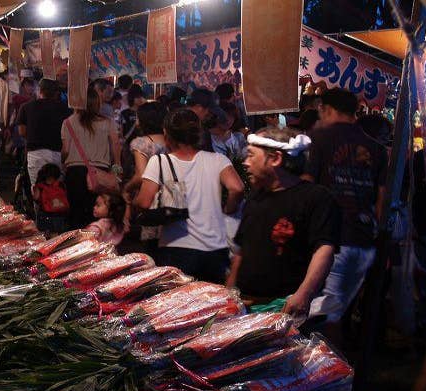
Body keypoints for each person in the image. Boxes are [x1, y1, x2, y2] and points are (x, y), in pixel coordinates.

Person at [226, 127, 340, 318]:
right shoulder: (256, 197)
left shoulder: (316, 198)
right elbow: (241, 250)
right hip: (245, 305)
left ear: (276, 158)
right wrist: (229, 290)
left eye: (251, 156)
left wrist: (304, 294)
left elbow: (324, 250)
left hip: (286, 307)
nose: (245, 163)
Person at [303, 88, 388, 326]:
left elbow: (307, 186)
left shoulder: (319, 139)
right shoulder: (378, 149)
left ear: (327, 109)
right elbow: (382, 203)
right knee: (335, 315)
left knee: (317, 318)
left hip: (330, 243)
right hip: (363, 244)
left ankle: (321, 361)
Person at [135, 109, 244, 282]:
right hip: (215, 249)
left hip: (176, 248)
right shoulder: (218, 159)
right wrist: (228, 209)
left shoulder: (160, 161)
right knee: (211, 303)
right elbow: (237, 188)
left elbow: (144, 202)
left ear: (167, 134)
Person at [62, 88, 121, 229]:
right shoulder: (108, 122)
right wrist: (117, 168)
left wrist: (63, 162)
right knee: (97, 213)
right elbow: (116, 146)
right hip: (100, 174)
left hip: (74, 172)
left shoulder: (68, 122)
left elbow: (65, 150)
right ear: (97, 103)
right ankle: (96, 244)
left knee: (76, 213)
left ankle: (77, 246)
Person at [123, 101, 168, 251]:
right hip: (172, 199)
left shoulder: (141, 143)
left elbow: (141, 176)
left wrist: (127, 188)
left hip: (150, 200)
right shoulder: (172, 141)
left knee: (150, 250)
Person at [17, 78, 72, 185]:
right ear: (56, 93)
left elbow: (22, 132)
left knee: (38, 190)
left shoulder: (26, 107)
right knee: (56, 191)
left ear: (40, 90)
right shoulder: (66, 109)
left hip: (36, 154)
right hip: (58, 154)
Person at [33, 163, 69, 233]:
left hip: (45, 216)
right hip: (60, 216)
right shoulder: (61, 185)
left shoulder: (40, 186)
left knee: (46, 236)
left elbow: (36, 198)